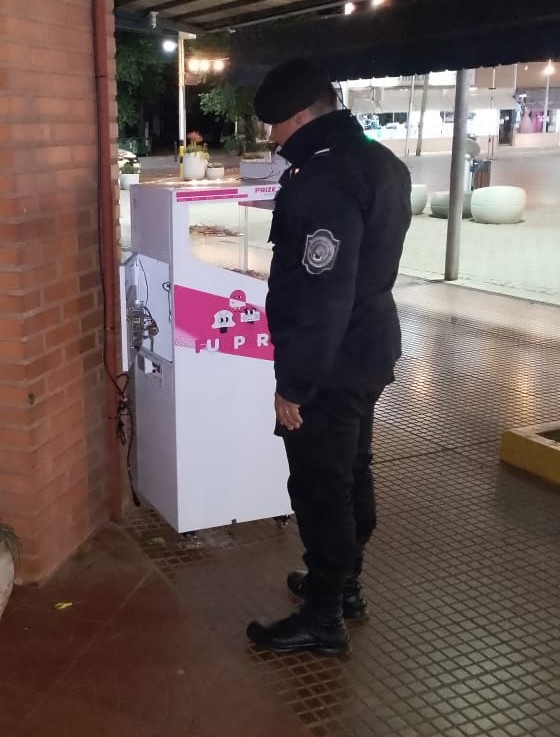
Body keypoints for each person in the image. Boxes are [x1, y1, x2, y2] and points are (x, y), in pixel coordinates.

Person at [246, 59, 412, 656]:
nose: (272, 138)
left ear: (298, 117)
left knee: (320, 485)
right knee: (351, 470)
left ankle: (322, 619)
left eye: (275, 126)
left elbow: (323, 295)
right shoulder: (381, 161)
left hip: (330, 361)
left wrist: (294, 385)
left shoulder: (322, 179)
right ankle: (344, 588)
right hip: (370, 346)